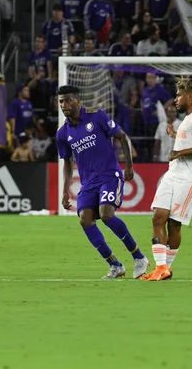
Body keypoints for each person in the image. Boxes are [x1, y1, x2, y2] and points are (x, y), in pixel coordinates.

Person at [55, 85, 149, 279]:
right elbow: (67, 161)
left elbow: (122, 137)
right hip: (88, 183)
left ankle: (139, 257)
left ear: (78, 100)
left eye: (68, 100)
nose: (64, 104)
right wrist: (65, 191)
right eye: (61, 101)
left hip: (109, 175)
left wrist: (129, 166)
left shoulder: (96, 116)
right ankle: (115, 265)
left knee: (106, 214)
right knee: (85, 219)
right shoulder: (62, 133)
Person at [141, 77, 192, 281]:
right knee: (157, 217)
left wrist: (180, 153)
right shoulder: (187, 119)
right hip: (173, 174)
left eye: (179, 95)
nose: (175, 99)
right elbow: (188, 143)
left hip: (189, 179)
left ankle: (166, 268)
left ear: (191, 97)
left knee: (174, 224)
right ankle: (160, 267)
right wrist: (174, 136)